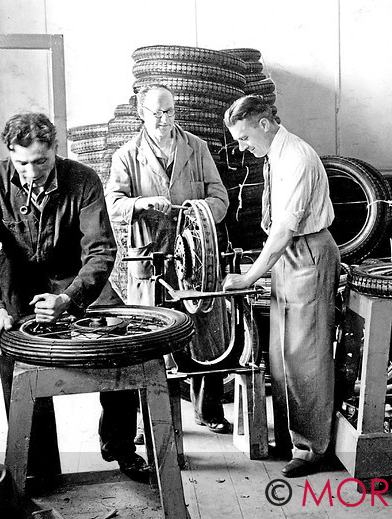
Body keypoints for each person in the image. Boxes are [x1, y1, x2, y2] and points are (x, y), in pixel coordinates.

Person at [0, 112, 148, 481]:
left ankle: (120, 444)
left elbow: (100, 251)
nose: (31, 172)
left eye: (41, 161)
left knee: (120, 340)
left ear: (55, 150)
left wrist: (69, 299)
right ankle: (40, 466)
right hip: (17, 278)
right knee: (13, 353)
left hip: (73, 274)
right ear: (9, 155)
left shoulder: (82, 179)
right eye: (22, 163)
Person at [222, 95, 340, 478]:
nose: (242, 147)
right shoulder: (275, 154)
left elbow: (287, 229)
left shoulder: (297, 158)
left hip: (308, 254)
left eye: (243, 138)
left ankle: (311, 449)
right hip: (290, 255)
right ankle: (292, 437)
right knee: (282, 354)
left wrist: (249, 276)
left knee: (306, 356)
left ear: (264, 123)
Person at [106, 84, 232, 434]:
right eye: (156, 113)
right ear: (142, 113)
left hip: (195, 257)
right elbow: (112, 204)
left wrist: (200, 211)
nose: (164, 119)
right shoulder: (127, 155)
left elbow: (219, 196)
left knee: (207, 332)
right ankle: (154, 420)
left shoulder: (197, 147)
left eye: (170, 112)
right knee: (150, 338)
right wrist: (141, 204)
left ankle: (209, 411)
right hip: (150, 260)